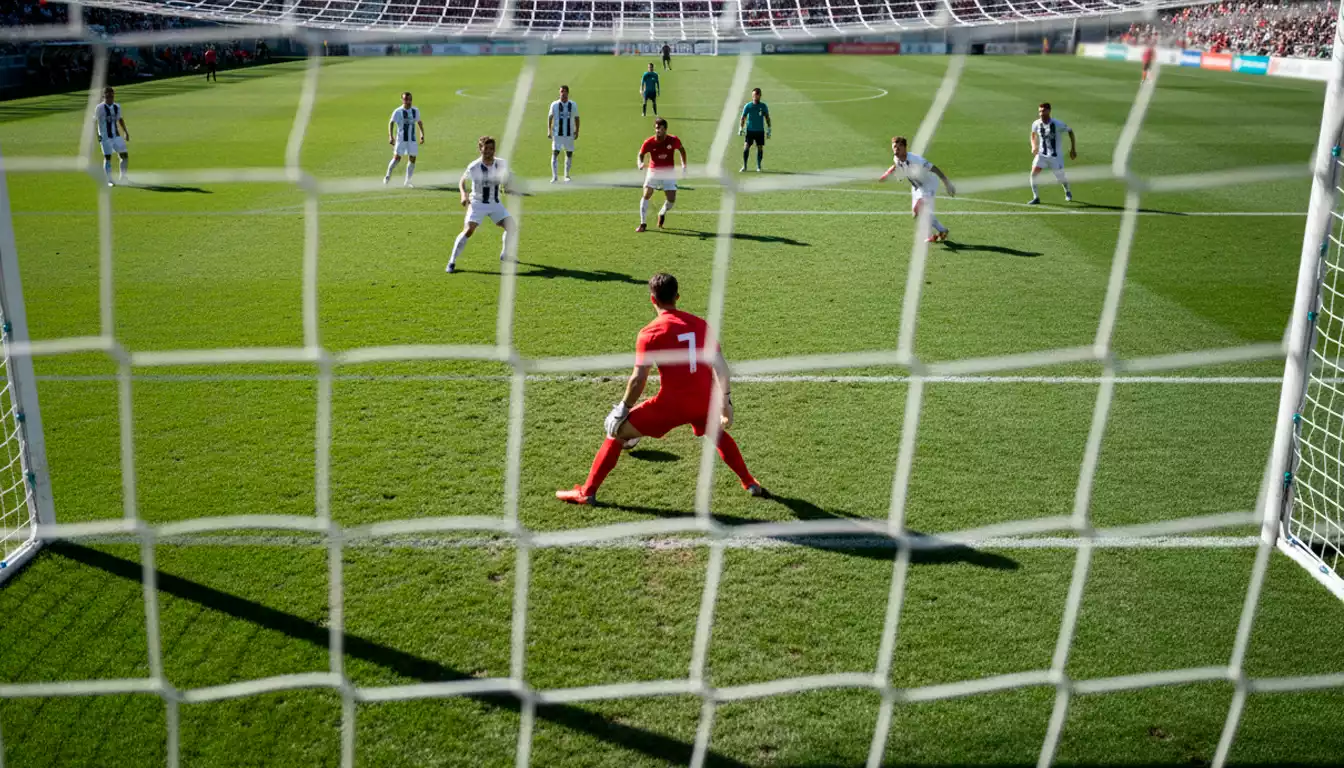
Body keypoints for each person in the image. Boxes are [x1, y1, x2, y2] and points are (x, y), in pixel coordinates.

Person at [556, 272, 768, 506]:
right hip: (703, 400)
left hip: (671, 405)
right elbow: (721, 367)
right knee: (717, 434)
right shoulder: (700, 324)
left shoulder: (650, 332)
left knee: (615, 433)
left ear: (652, 299)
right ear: (677, 296)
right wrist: (726, 401)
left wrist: (622, 409)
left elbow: (639, 380)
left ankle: (587, 493)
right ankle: (750, 482)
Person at [447, 136, 513, 274]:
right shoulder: (474, 166)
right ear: (480, 149)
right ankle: (452, 261)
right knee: (469, 230)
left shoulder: (502, 163)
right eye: (486, 149)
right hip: (477, 203)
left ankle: (505, 254)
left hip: (495, 203)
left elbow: (507, 177)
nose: (489, 152)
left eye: (492, 149)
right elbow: (462, 181)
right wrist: (463, 194)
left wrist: (507, 186)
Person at [879, 136, 955, 243]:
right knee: (917, 214)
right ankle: (942, 231)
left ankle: (938, 232)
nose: (895, 150)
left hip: (929, 185)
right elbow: (896, 165)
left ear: (905, 148)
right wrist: (887, 173)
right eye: (894, 147)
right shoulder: (897, 158)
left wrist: (947, 183)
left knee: (918, 208)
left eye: (898, 147)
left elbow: (934, 168)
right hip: (916, 187)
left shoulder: (916, 160)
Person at [636, 117, 687, 232]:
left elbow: (682, 150)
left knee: (671, 200)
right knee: (647, 194)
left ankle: (662, 212)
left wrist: (684, 165)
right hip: (653, 171)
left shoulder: (673, 140)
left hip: (669, 173)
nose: (658, 130)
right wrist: (640, 163)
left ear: (665, 129)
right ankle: (643, 223)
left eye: (661, 128)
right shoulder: (649, 142)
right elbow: (641, 154)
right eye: (657, 128)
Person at [1029, 102, 1076, 204]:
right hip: (1041, 155)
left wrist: (1073, 149)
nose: (1041, 113)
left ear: (1049, 111)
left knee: (1060, 178)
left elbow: (1070, 131)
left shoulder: (1057, 124)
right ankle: (1036, 197)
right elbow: (1033, 135)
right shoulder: (1036, 123)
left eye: (1043, 111)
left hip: (1055, 157)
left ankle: (1067, 191)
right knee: (1033, 175)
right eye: (1040, 111)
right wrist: (1034, 146)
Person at [385, 91, 424, 187]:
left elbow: (419, 122)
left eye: (410, 99)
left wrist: (422, 134)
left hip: (412, 139)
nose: (408, 101)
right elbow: (391, 122)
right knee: (397, 158)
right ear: (402, 100)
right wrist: (390, 136)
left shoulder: (415, 110)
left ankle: (408, 181)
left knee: (413, 158)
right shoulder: (398, 111)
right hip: (401, 139)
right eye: (406, 99)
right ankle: (388, 175)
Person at [93, 86, 129, 187]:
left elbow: (120, 119)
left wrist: (125, 132)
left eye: (112, 95)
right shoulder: (99, 108)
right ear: (104, 96)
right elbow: (94, 122)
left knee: (124, 156)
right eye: (108, 96)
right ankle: (109, 180)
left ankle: (123, 177)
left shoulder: (117, 106)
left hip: (116, 136)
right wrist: (98, 135)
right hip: (105, 137)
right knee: (108, 157)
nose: (110, 98)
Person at [547, 84, 580, 183]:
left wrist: (577, 131)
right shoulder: (554, 105)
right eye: (561, 92)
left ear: (567, 93)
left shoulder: (573, 105)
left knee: (569, 153)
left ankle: (567, 175)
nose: (562, 94)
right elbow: (550, 117)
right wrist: (549, 130)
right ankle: (555, 176)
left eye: (564, 92)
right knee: (555, 153)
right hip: (557, 134)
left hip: (569, 134)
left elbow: (577, 118)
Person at [738, 87, 771, 173]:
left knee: (760, 148)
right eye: (753, 95)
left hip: (760, 131)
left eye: (756, 95)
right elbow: (743, 117)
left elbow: (767, 117)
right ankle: (744, 166)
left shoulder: (763, 106)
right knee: (746, 148)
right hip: (750, 131)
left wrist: (769, 129)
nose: (754, 97)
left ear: (760, 96)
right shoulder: (748, 106)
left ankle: (759, 166)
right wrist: (741, 127)